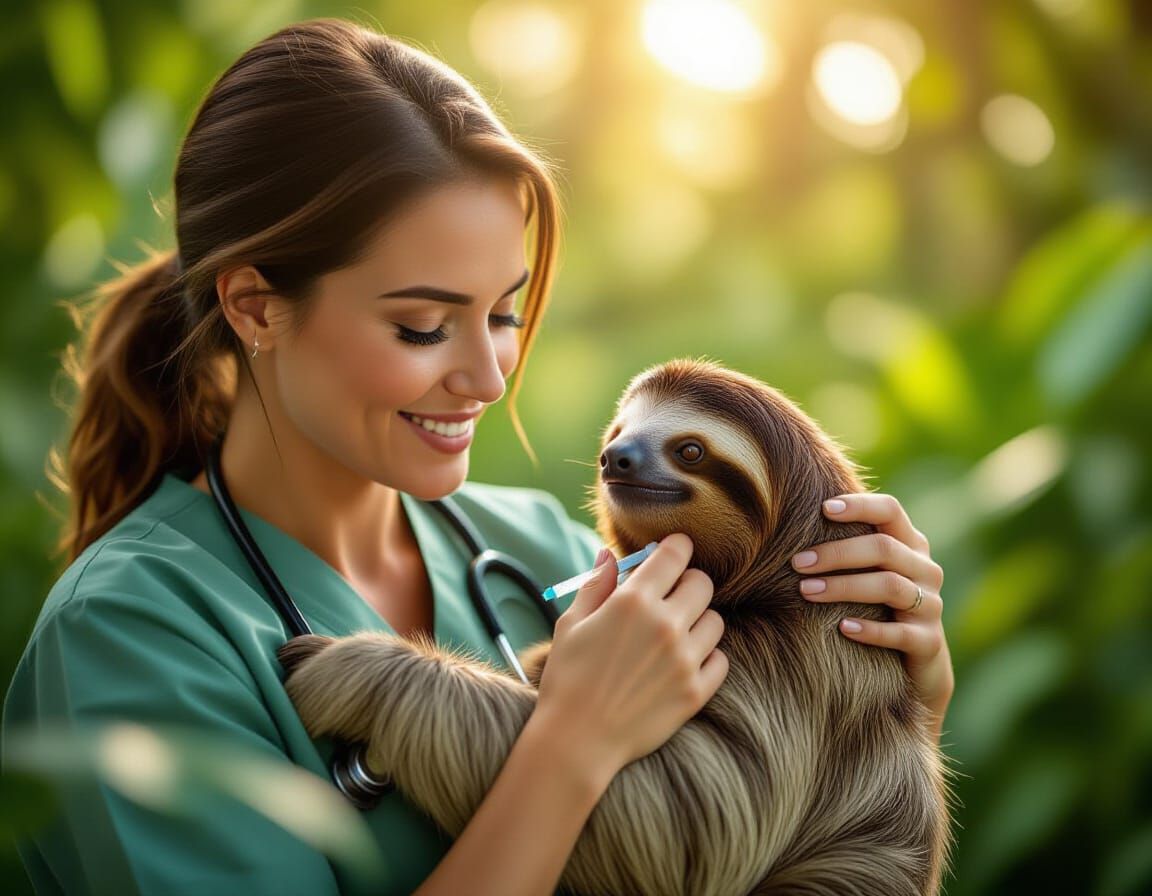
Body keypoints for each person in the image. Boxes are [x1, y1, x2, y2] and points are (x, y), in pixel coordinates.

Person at [1, 17, 953, 896]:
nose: (488, 378)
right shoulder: (130, 639)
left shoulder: (541, 548)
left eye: (501, 314)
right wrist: (569, 750)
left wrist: (883, 714)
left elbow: (755, 834)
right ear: (254, 307)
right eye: (422, 327)